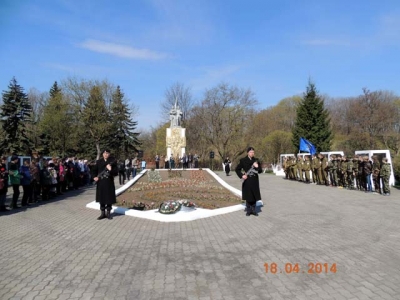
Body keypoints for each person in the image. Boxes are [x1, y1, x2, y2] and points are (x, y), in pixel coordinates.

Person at [235, 147, 262, 216]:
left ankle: (253, 210)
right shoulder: (243, 160)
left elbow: (260, 171)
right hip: (247, 180)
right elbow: (237, 169)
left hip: (255, 180)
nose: (252, 153)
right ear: (247, 153)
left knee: (254, 195)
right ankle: (248, 210)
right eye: (251, 152)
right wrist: (242, 176)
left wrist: (257, 166)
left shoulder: (256, 160)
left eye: (253, 152)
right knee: (248, 195)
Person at [93, 149, 118, 220]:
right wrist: (94, 177)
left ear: (109, 154)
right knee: (102, 198)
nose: (105, 154)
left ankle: (108, 213)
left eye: (107, 153)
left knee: (109, 198)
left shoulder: (112, 162)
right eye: (104, 153)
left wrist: (111, 170)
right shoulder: (99, 161)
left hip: (109, 182)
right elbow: (94, 170)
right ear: (102, 154)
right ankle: (102, 213)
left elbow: (116, 172)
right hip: (101, 183)